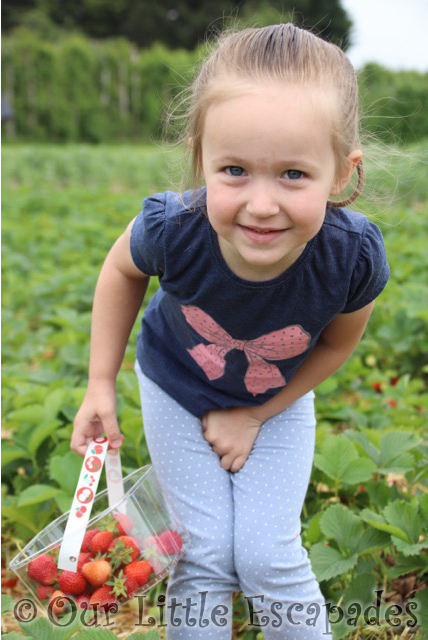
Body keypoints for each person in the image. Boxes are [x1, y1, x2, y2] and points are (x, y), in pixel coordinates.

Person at [71, 23, 389, 639]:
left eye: (294, 174)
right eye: (235, 169)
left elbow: (338, 344)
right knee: (203, 552)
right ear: (201, 157)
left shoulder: (349, 259)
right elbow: (119, 270)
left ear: (343, 173)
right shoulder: (175, 229)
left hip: (277, 400)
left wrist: (258, 415)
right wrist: (99, 383)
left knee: (268, 556)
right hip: (176, 384)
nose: (262, 204)